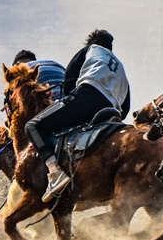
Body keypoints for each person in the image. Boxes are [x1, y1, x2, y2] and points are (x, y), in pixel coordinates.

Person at [25, 29, 131, 202]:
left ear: (91, 42)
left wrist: (67, 102)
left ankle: (55, 172)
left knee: (33, 126)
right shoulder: (120, 67)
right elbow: (125, 107)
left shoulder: (90, 50)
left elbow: (69, 80)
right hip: (110, 110)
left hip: (85, 98)